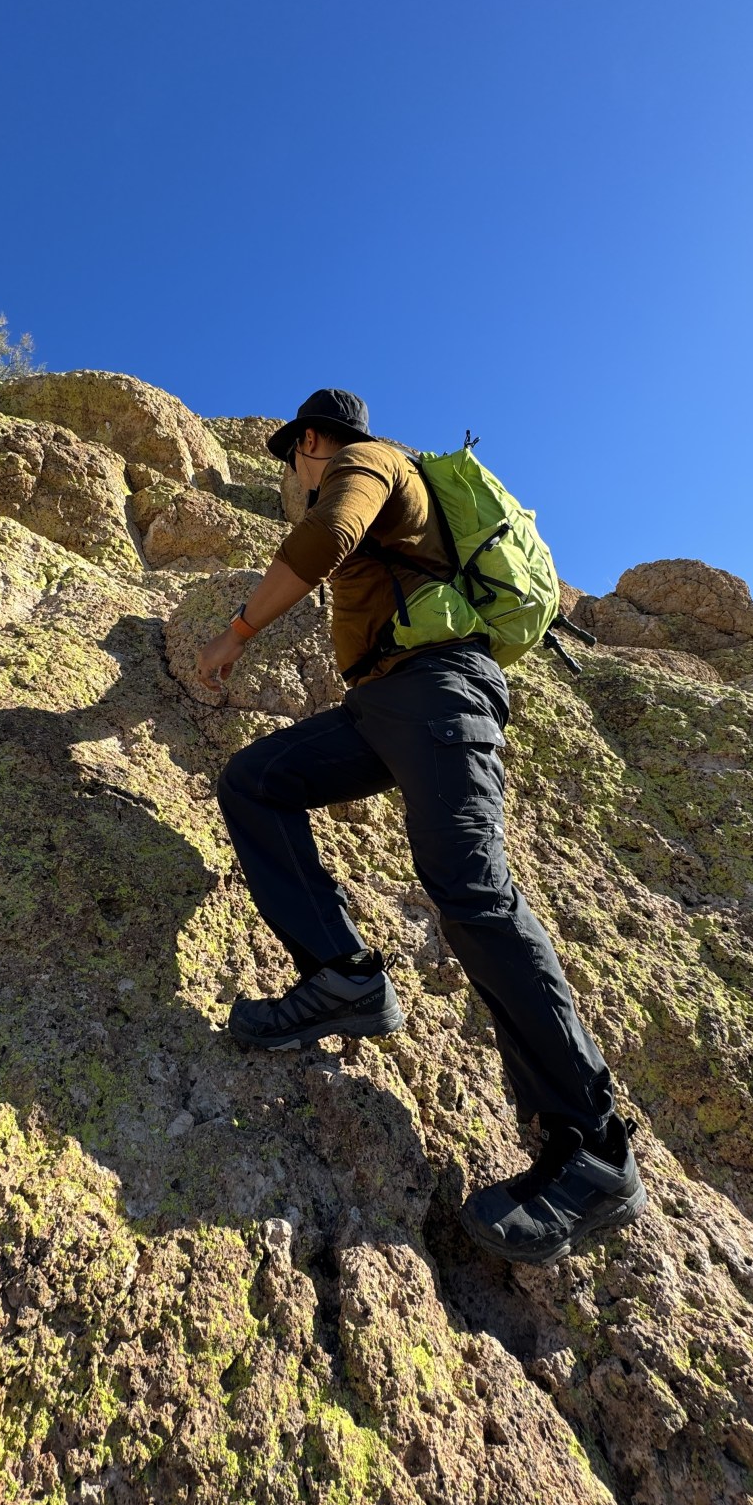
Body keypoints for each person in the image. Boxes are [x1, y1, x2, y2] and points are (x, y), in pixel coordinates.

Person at [196, 389, 645, 1266]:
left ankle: (593, 1147)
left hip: (438, 691)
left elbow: (327, 540)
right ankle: (344, 977)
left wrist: (237, 633)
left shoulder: (366, 462)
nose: (294, 478)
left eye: (294, 462)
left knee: (474, 896)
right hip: (387, 703)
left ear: (311, 444)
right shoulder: (390, 485)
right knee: (256, 781)